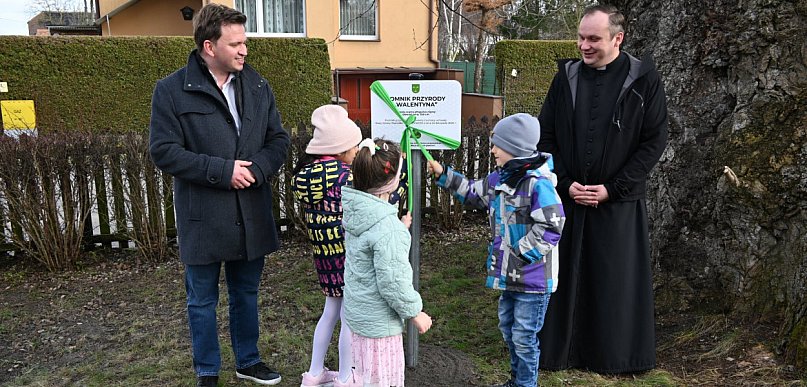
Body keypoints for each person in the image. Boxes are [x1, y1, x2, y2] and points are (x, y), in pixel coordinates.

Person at [148, 4, 290, 386]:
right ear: (209, 46)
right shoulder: (171, 90)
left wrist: (256, 169)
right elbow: (163, 150)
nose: (245, 50)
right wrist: (223, 171)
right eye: (236, 43)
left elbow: (278, 140)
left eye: (245, 42)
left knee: (246, 293)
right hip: (203, 216)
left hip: (251, 212)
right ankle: (207, 371)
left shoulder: (258, 86)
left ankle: (248, 360)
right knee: (202, 301)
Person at [535, 4, 668, 374]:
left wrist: (614, 188)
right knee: (563, 279)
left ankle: (614, 357)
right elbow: (545, 136)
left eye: (593, 38)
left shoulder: (644, 79)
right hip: (570, 199)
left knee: (615, 282)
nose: (584, 46)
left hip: (619, 203)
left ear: (618, 39)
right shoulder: (566, 78)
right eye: (581, 37)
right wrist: (563, 181)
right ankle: (559, 354)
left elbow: (654, 140)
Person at [428, 113, 565, 387]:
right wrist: (445, 176)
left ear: (513, 148)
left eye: (496, 145)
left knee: (524, 337)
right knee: (509, 330)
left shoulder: (538, 184)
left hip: (534, 280)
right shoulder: (500, 179)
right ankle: (516, 381)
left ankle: (526, 384)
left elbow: (552, 225)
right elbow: (472, 192)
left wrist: (520, 252)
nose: (492, 150)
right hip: (510, 278)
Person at [339, 139, 433, 387]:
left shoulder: (357, 213)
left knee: (364, 377)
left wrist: (399, 228)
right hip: (380, 327)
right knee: (383, 381)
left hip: (359, 319)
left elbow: (370, 248)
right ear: (392, 181)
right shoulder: (387, 230)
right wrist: (415, 313)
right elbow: (393, 281)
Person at [292, 104, 362, 387]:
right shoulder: (345, 176)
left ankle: (314, 373)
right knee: (349, 318)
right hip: (347, 253)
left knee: (330, 311)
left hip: (324, 257)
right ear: (341, 148)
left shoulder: (308, 174)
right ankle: (346, 378)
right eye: (354, 146)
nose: (357, 151)